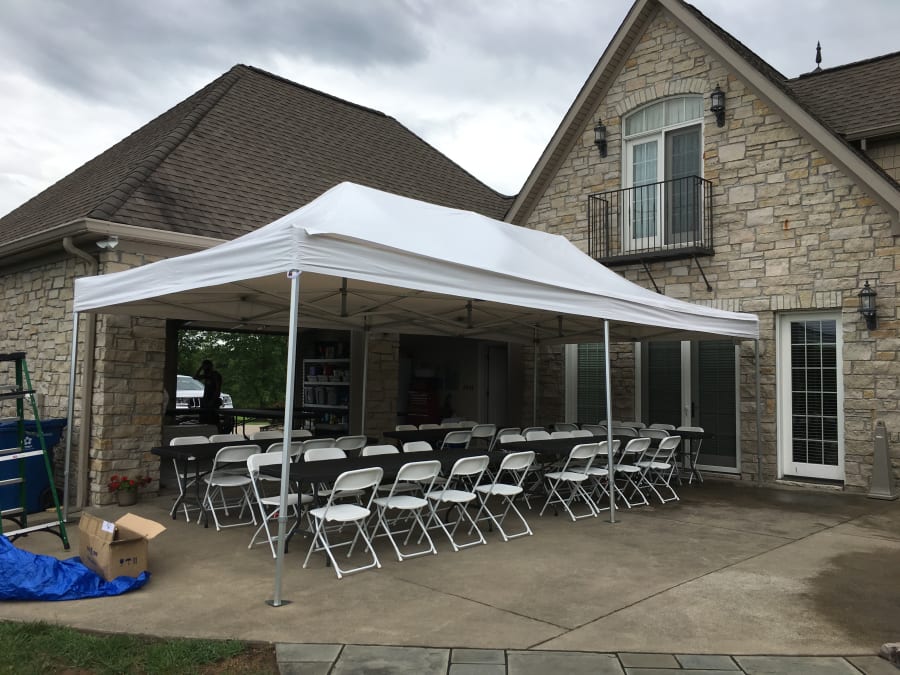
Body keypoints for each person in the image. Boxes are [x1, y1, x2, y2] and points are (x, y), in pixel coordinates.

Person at [194, 359, 223, 428]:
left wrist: (212, 401)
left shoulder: (215, 375)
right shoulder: (207, 376)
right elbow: (195, 377)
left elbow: (218, 389)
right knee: (204, 419)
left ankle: (217, 430)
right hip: (206, 400)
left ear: (210, 366)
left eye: (205, 366)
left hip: (212, 401)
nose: (204, 368)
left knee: (213, 419)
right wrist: (200, 368)